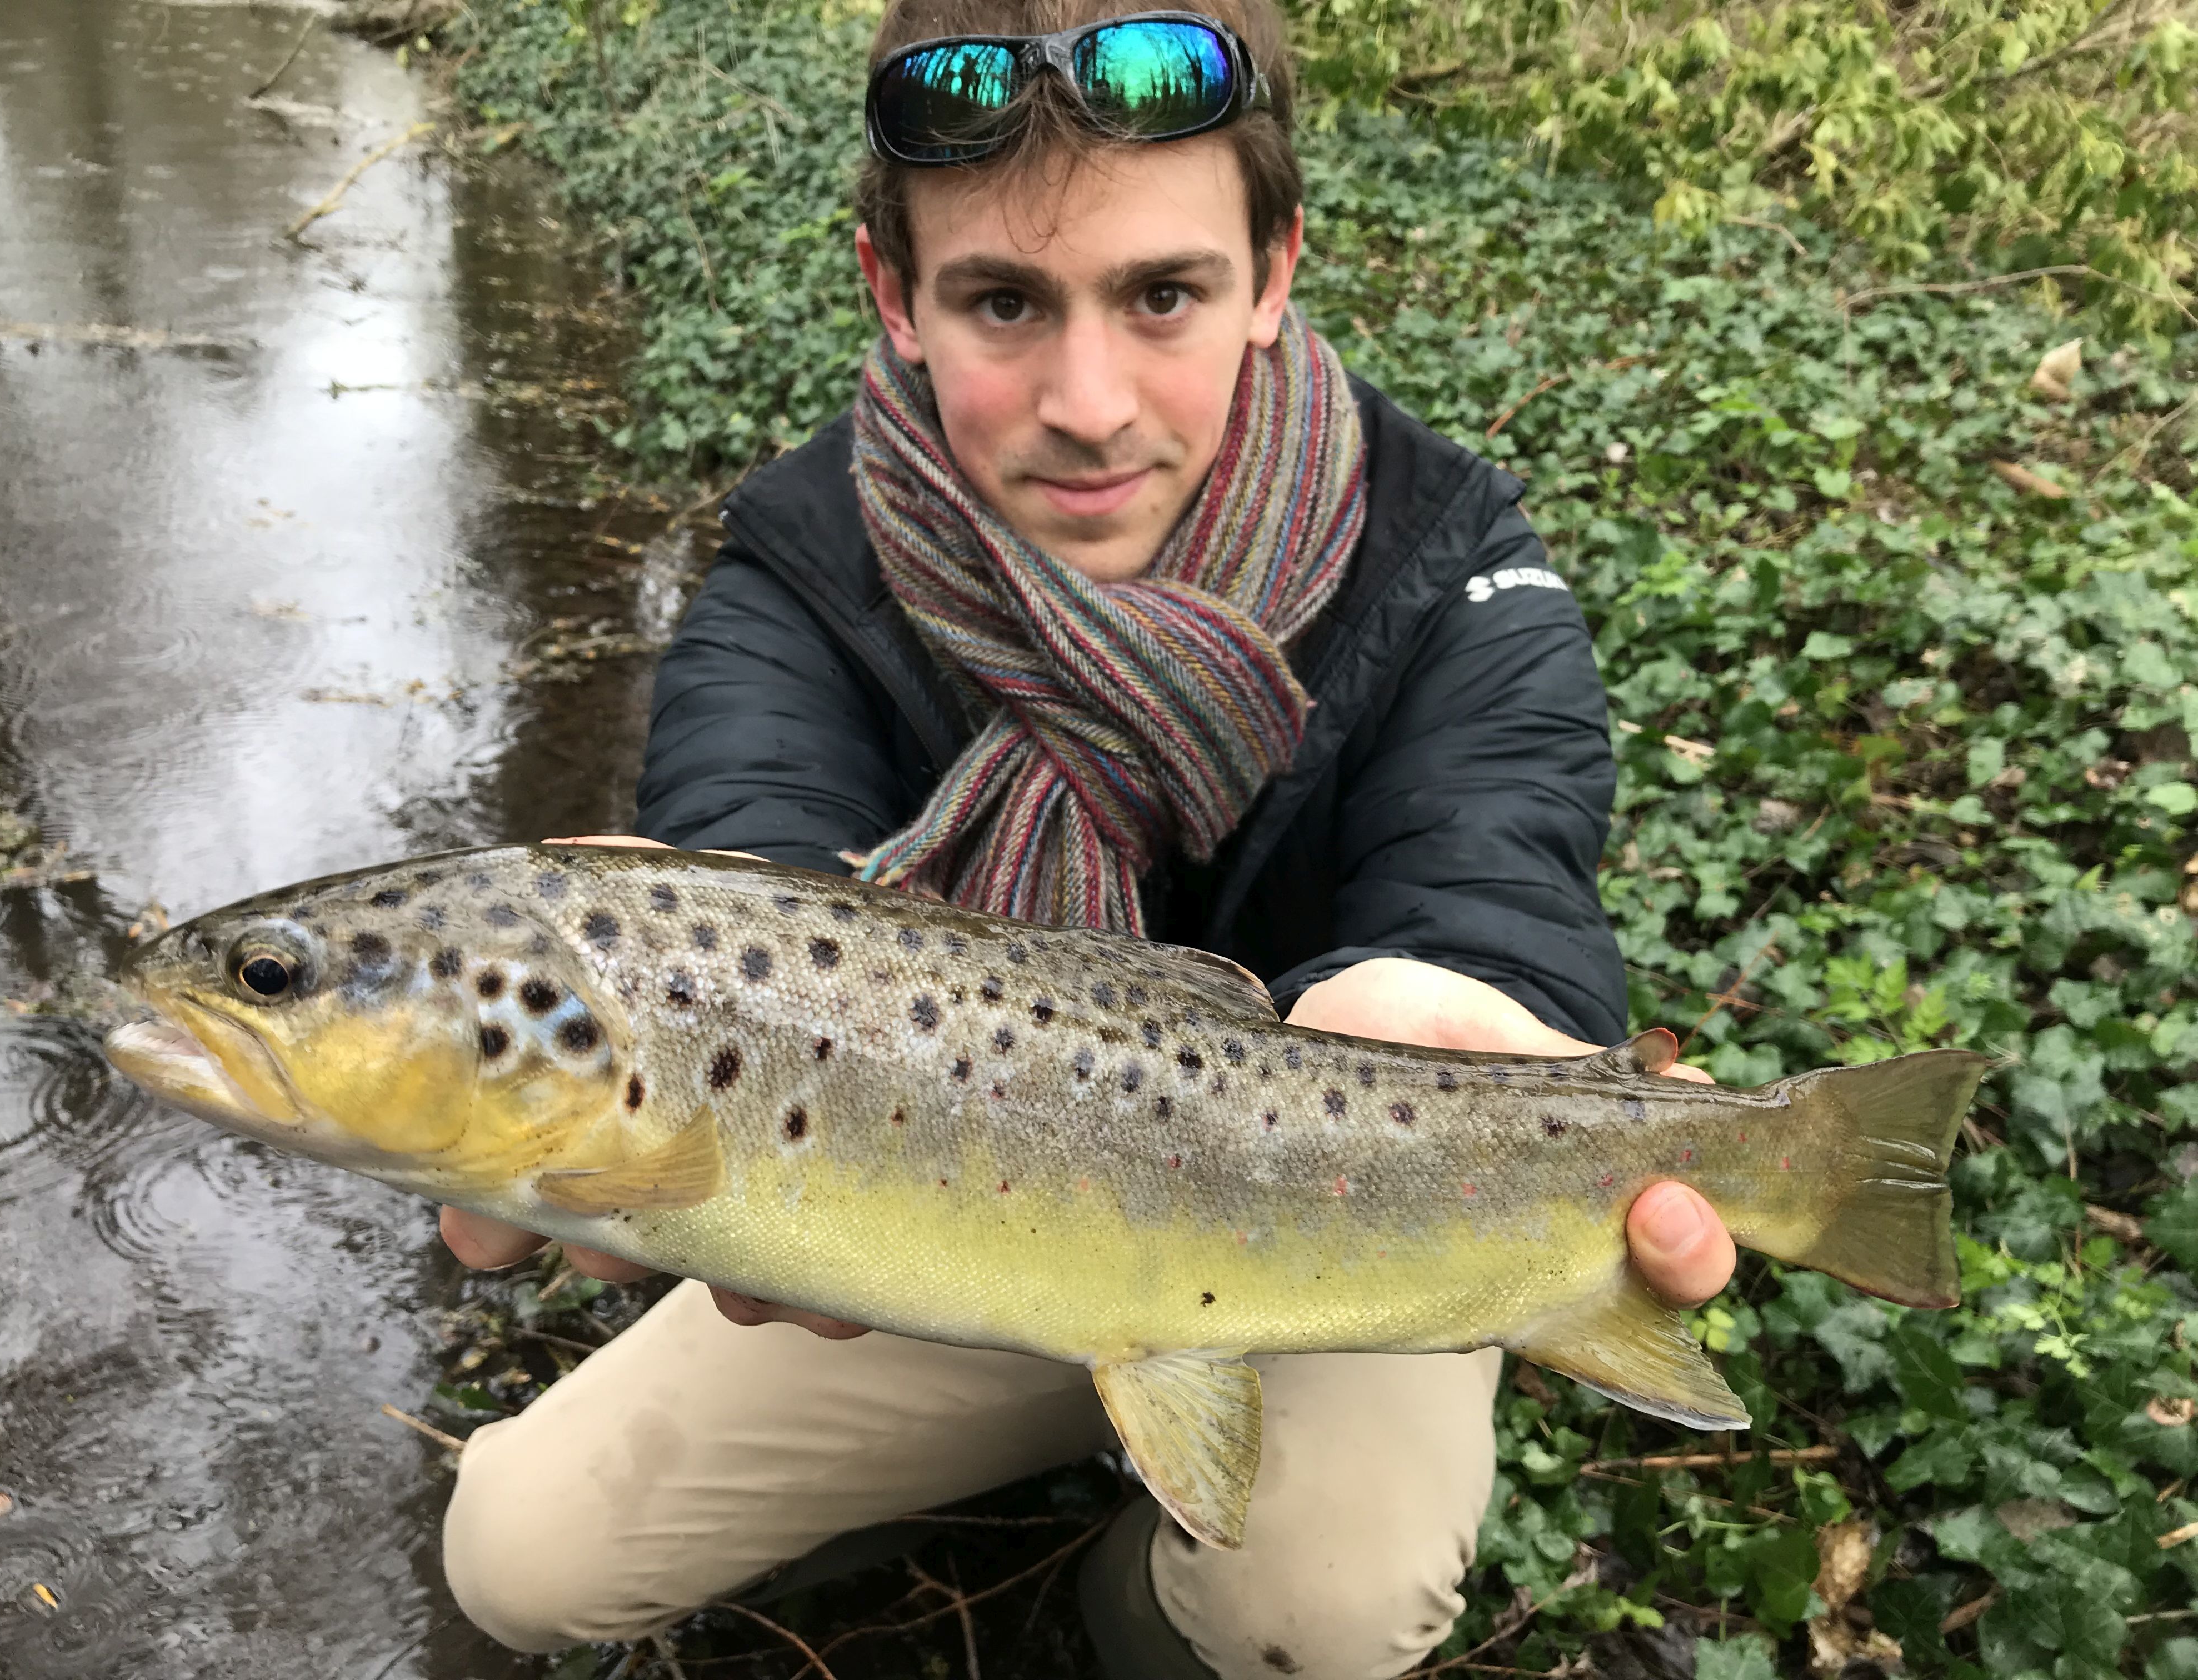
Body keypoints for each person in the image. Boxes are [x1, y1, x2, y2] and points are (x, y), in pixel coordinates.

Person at [436, 1, 1737, 1672]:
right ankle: (989, 1447)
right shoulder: (801, 565)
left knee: (1318, 1616)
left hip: (1340, 1209)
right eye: (1001, 302)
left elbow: (1499, 865)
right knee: (524, 1553)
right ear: (890, 295)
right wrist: (662, 995)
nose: (1090, 401)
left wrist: (1455, 998)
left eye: (1163, 295)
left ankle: (1128, 1618)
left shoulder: (1450, 563)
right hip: (915, 1192)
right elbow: (751, 847)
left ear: (1274, 274)